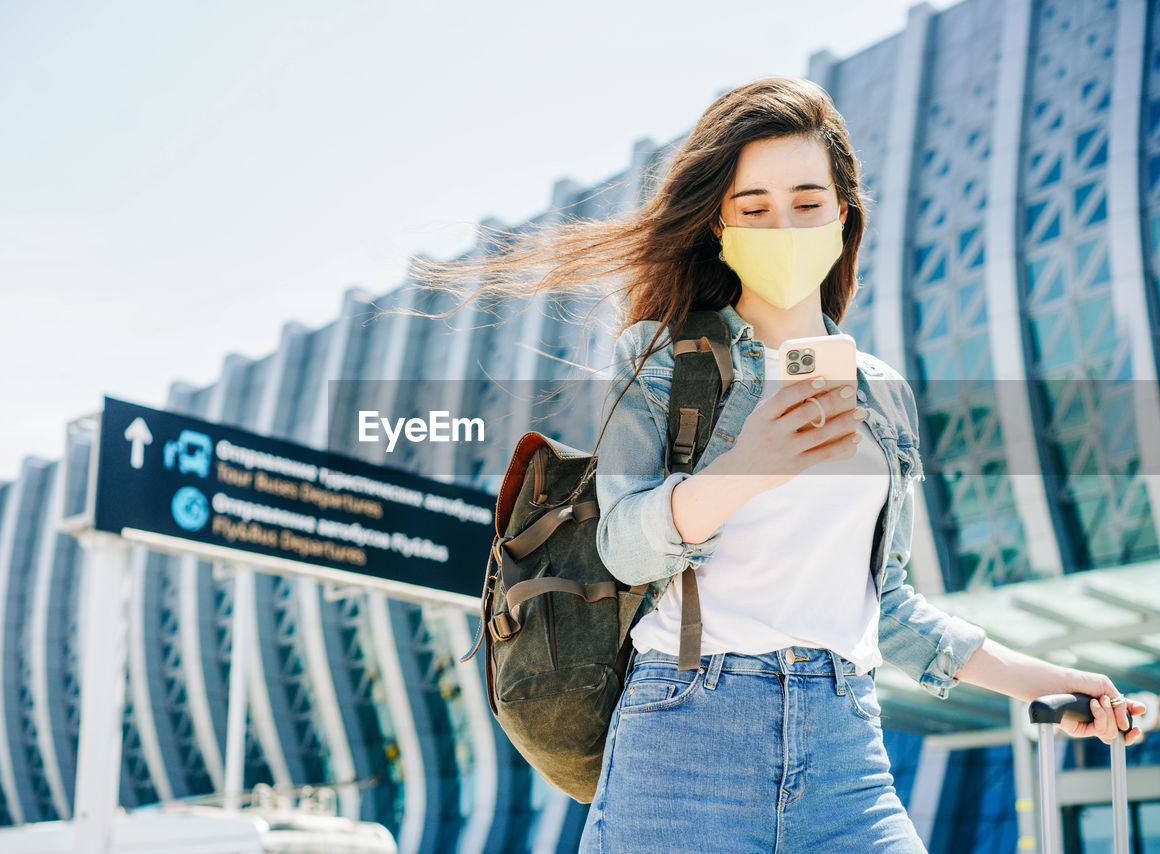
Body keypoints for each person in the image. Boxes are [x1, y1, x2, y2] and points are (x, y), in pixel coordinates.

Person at [404, 76, 1147, 852]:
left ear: (842, 214)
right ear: (719, 226)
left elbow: (885, 603)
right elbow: (622, 548)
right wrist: (748, 464)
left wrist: (1052, 682)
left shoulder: (883, 395)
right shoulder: (661, 358)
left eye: (806, 201)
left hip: (845, 748)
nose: (783, 225)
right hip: (685, 737)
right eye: (754, 208)